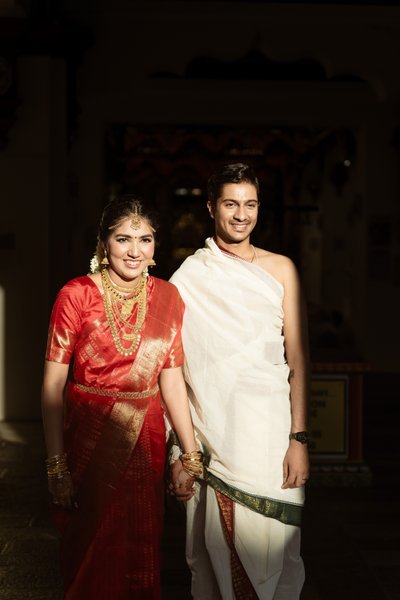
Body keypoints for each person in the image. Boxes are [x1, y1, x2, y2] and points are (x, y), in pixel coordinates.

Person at [41, 195, 200, 599]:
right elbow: (51, 388)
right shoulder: (75, 295)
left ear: (155, 246)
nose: (134, 250)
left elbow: (172, 379)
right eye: (123, 239)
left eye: (145, 240)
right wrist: (57, 466)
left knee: (140, 546)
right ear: (103, 243)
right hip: (87, 436)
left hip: (144, 440)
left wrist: (189, 451)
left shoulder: (168, 297)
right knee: (89, 548)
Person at [169, 163, 310, 599]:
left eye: (249, 204)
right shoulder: (189, 277)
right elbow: (170, 369)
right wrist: (181, 450)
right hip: (215, 438)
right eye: (231, 204)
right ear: (212, 208)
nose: (241, 215)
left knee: (277, 549)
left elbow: (298, 358)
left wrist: (299, 438)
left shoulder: (281, 269)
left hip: (269, 437)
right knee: (216, 555)